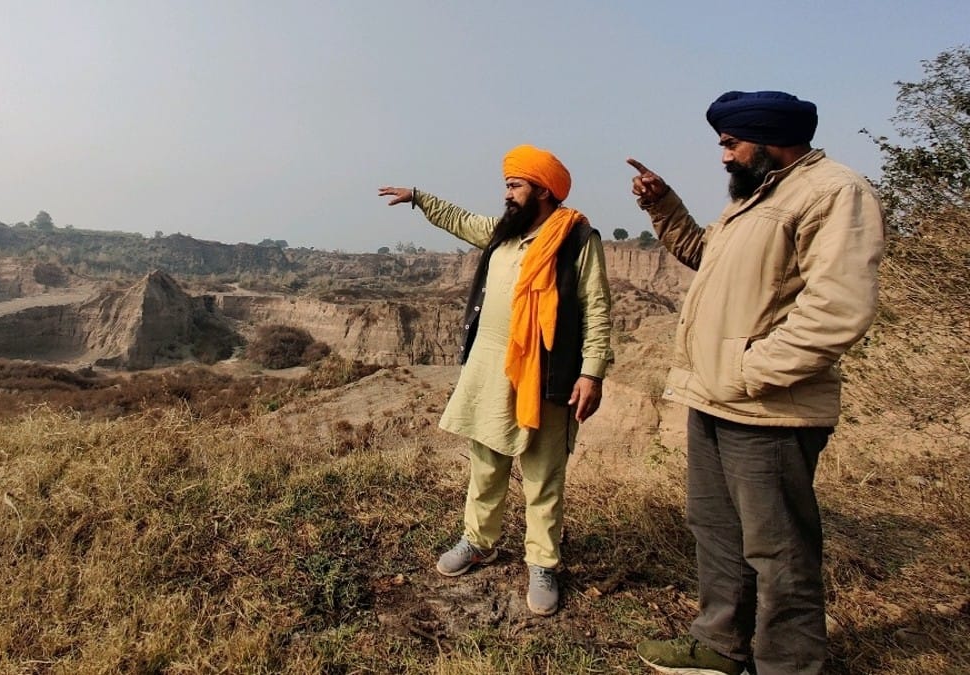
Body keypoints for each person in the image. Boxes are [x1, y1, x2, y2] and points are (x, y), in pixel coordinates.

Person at [628, 91, 885, 675]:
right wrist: (663, 205)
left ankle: (789, 665)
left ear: (769, 140)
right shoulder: (759, 197)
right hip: (716, 397)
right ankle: (720, 646)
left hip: (768, 407)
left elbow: (839, 308)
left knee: (780, 553)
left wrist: (750, 372)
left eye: (730, 144)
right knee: (716, 531)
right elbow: (702, 253)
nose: (724, 158)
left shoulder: (833, 193)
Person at [378, 144, 613, 617]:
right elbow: (461, 220)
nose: (506, 193)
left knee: (543, 476)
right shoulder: (502, 235)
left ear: (543, 190)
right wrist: (420, 197)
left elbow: (597, 308)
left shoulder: (577, 239)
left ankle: (542, 562)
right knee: (485, 463)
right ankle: (479, 541)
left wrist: (591, 372)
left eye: (515, 185)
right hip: (491, 371)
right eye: (507, 184)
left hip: (548, 374)